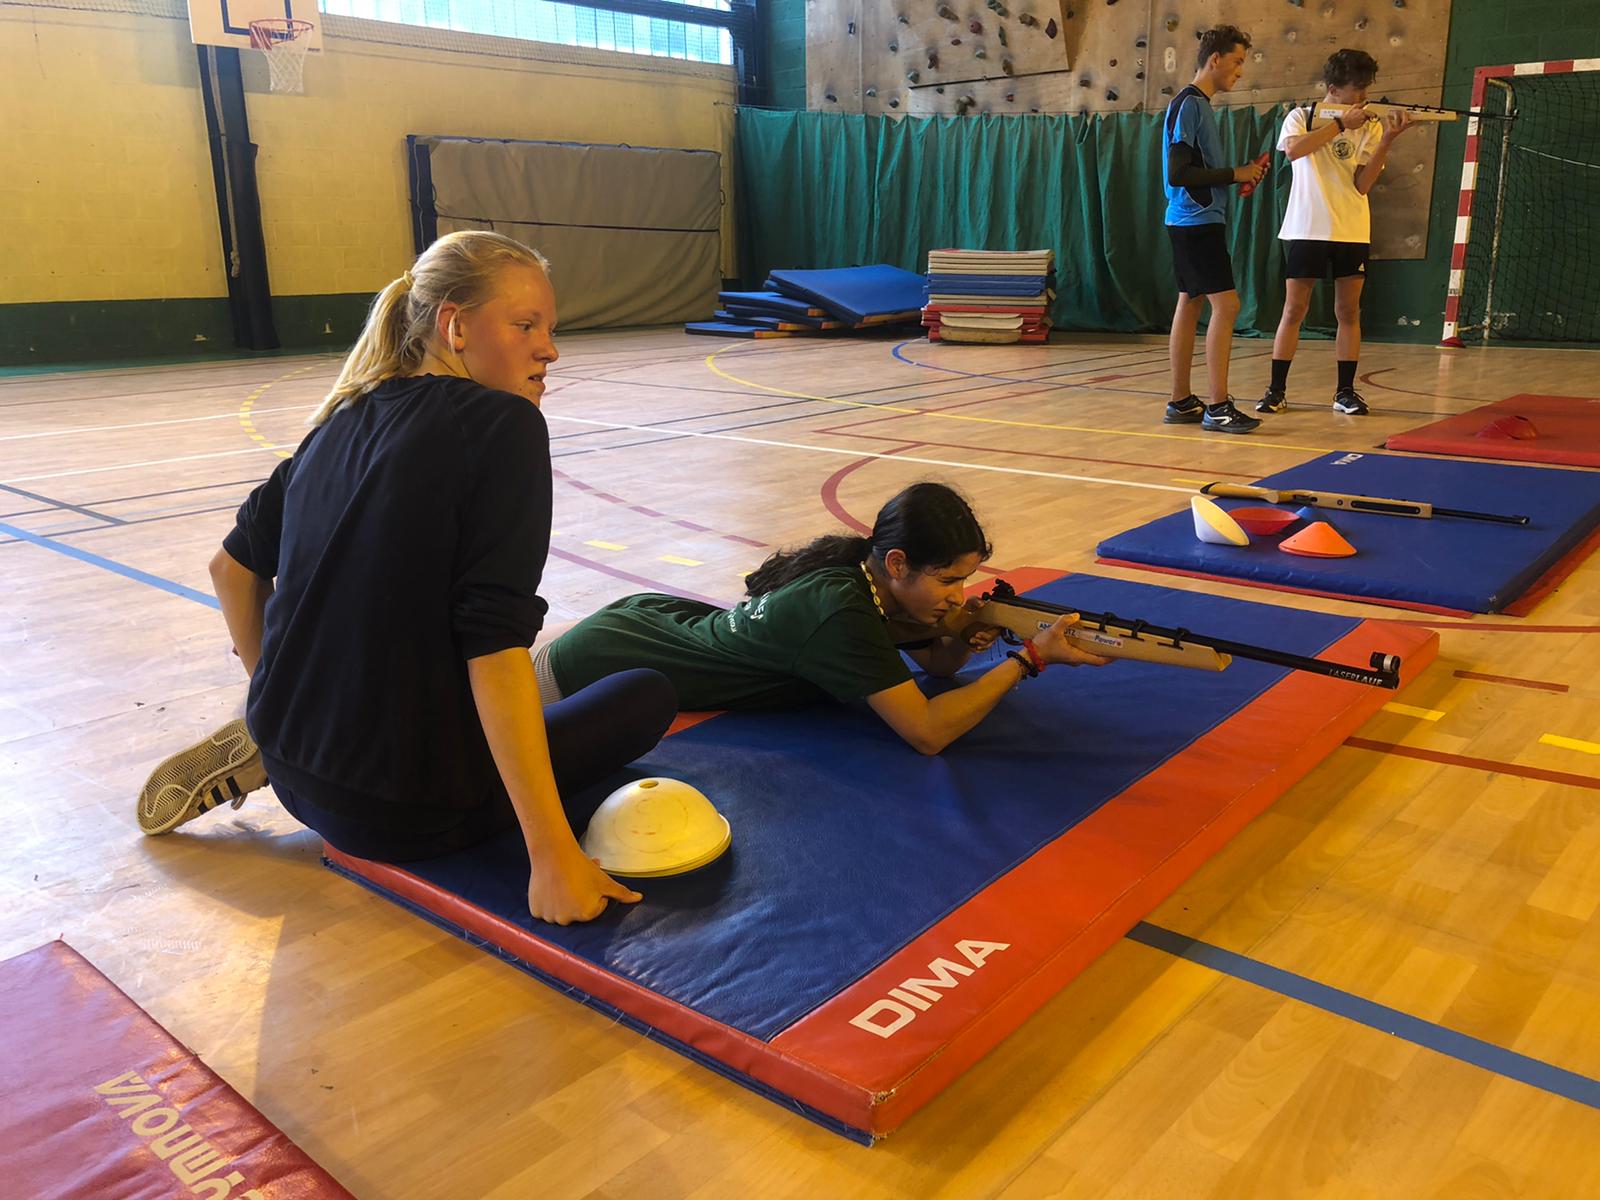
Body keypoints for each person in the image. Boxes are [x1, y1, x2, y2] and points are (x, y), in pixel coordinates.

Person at [136, 230, 678, 926]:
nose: (550, 348)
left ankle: (273, 733)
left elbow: (230, 569)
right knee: (644, 695)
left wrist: (283, 702)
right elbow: (492, 645)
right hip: (402, 815)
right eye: (525, 326)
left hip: (293, 766)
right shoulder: (504, 423)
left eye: (550, 328)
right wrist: (553, 857)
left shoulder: (342, 416)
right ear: (454, 325)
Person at [533, 482, 1113, 756]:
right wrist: (1027, 661)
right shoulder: (841, 612)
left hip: (642, 626)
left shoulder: (862, 581)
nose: (959, 594)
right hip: (593, 667)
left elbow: (937, 667)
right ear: (897, 563)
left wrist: (962, 633)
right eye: (948, 580)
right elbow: (928, 732)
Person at [1258, 50, 1417, 416]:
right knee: (1294, 309)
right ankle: (1275, 390)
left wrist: (1388, 139)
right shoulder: (1302, 116)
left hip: (1352, 229)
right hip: (1307, 226)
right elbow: (1294, 151)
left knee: (1348, 310)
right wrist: (1341, 124)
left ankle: (1345, 392)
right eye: (1355, 92)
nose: (1361, 100)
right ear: (1333, 89)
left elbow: (1362, 185)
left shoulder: (1371, 125)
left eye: (1365, 92)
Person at [1162, 24, 1268, 435]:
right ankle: (1219, 406)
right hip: (1194, 223)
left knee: (1189, 304)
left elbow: (1195, 170)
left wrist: (1235, 177)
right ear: (1215, 59)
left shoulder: (1199, 106)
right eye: (1238, 62)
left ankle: (1181, 401)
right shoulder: (1189, 104)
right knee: (1227, 307)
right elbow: (1180, 172)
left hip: (1192, 221)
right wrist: (1234, 173)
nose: (1241, 71)